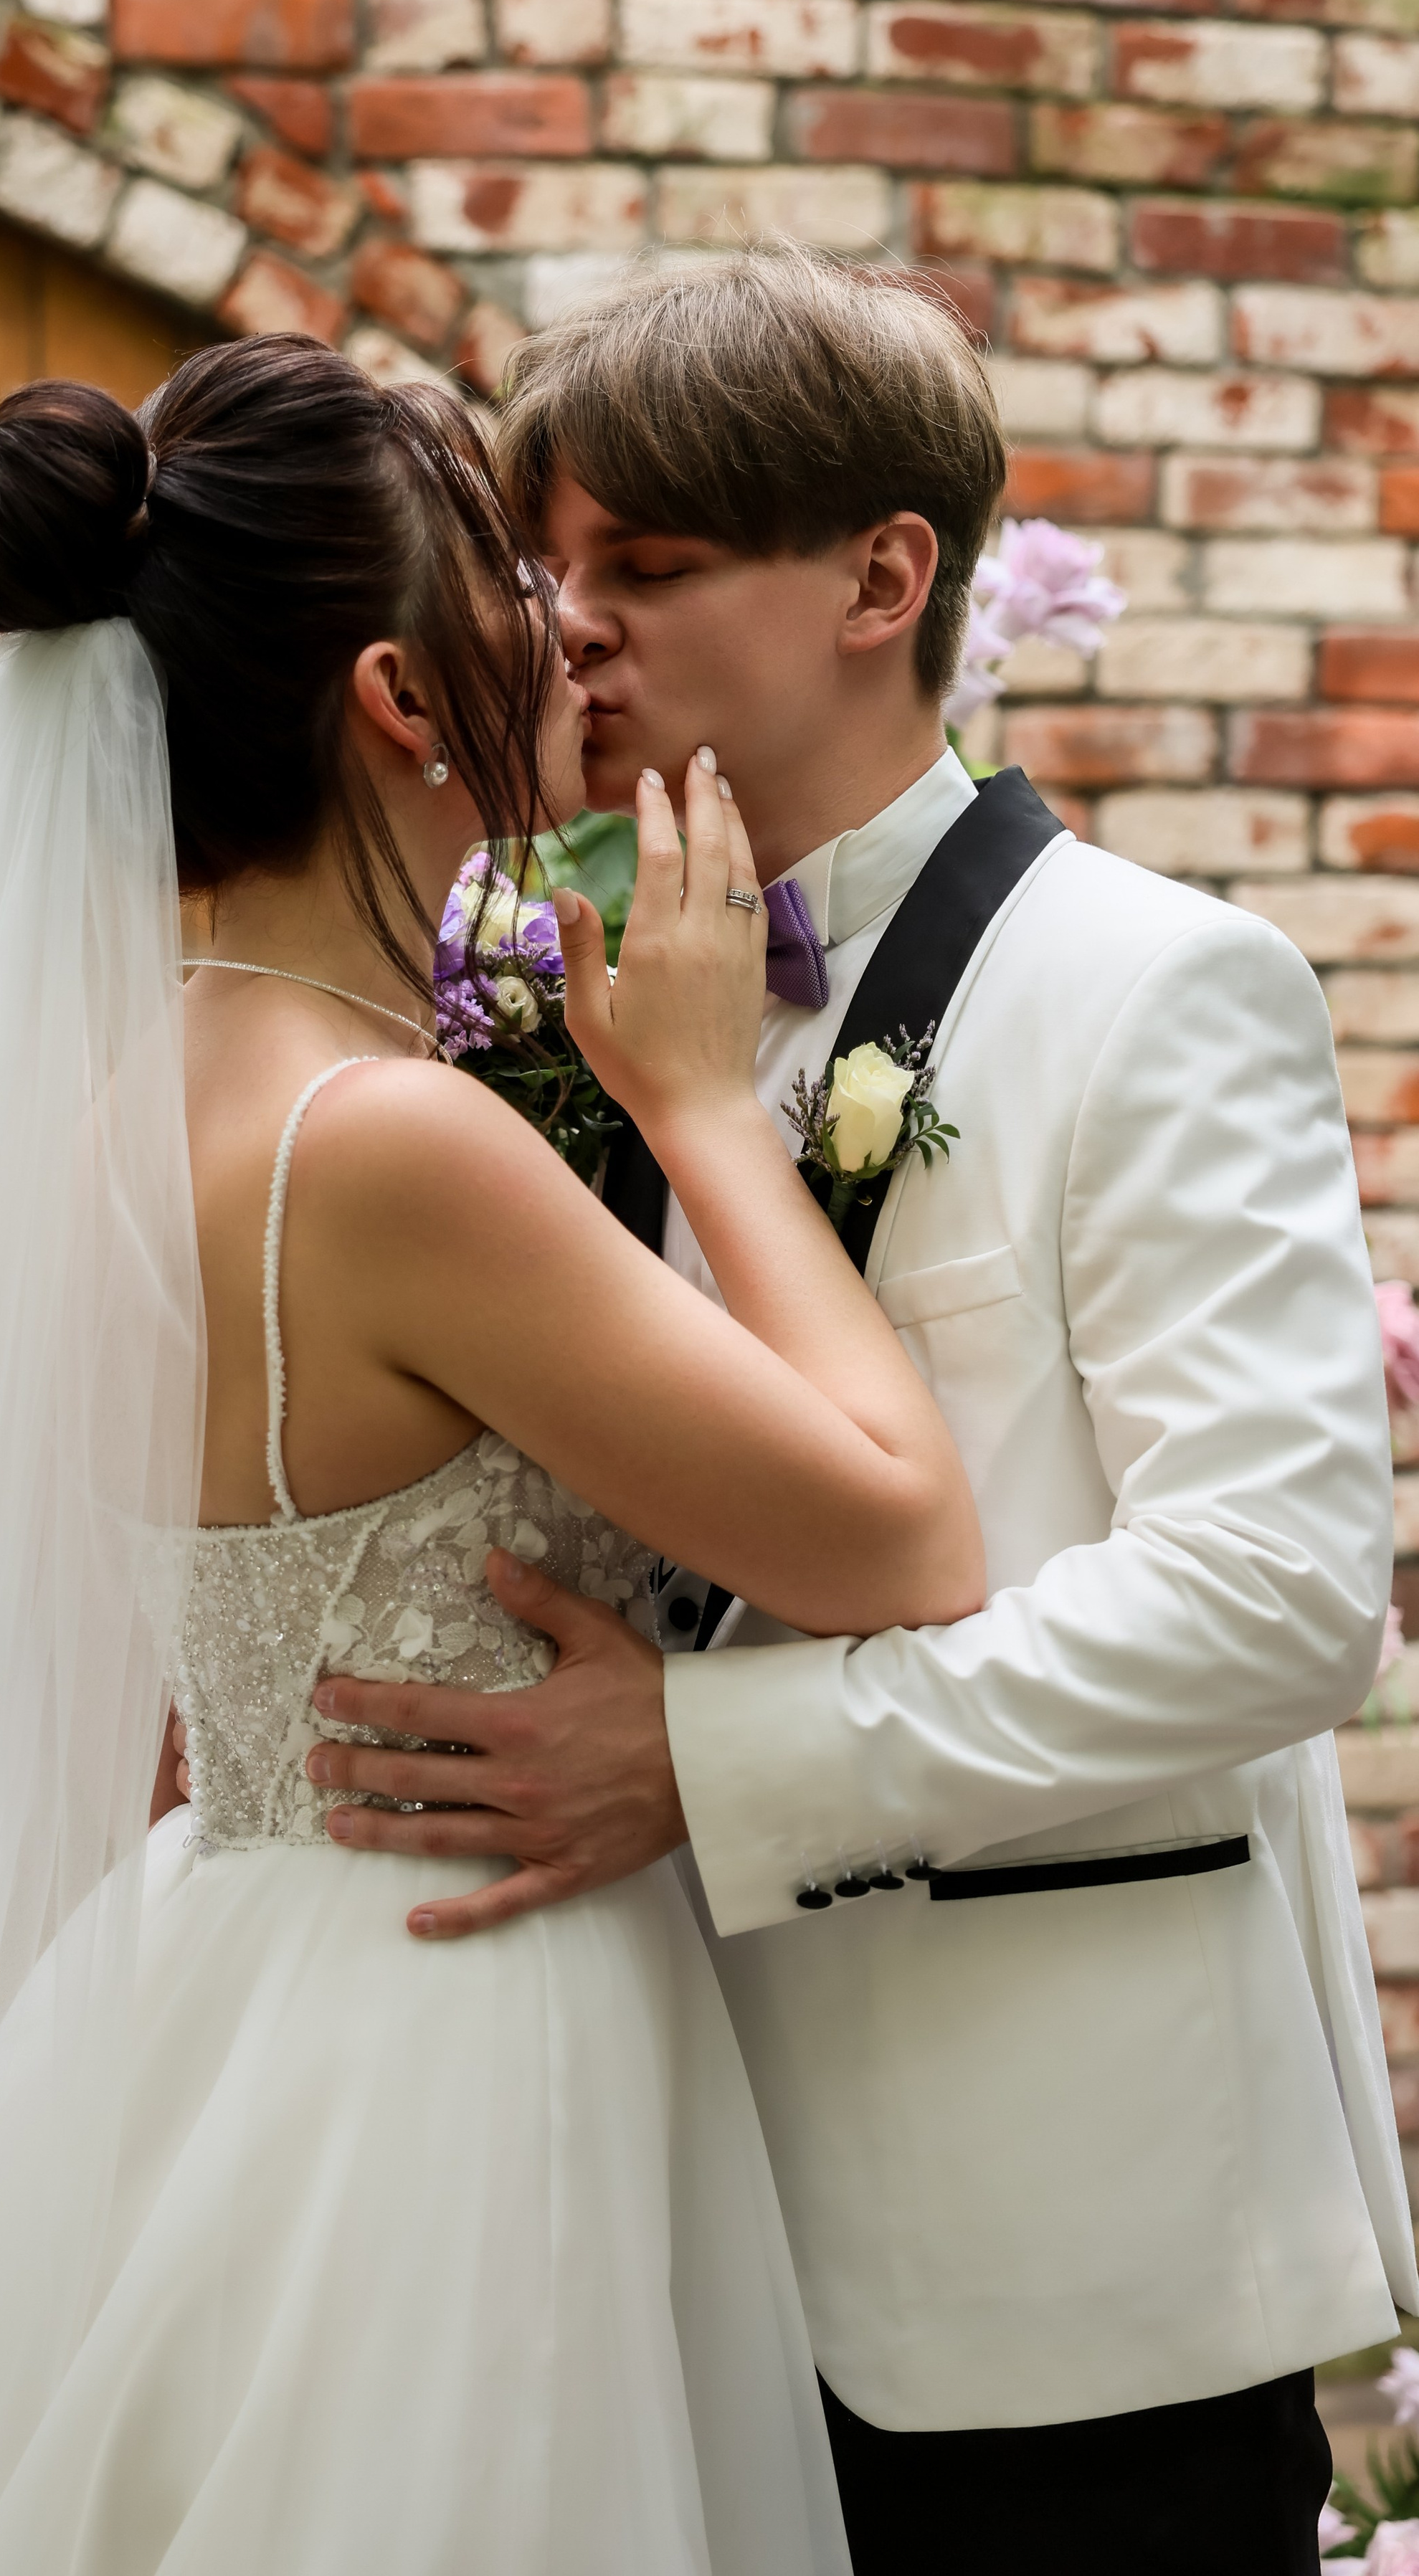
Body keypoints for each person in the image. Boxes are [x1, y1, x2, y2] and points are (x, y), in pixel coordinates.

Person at [0, 335, 985, 2574]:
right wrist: (709, 1105)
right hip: (447, 2031)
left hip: (198, 1983)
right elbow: (905, 1542)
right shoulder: (391, 1142)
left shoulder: (111, 1113)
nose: (567, 623)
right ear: (404, 703)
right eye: (513, 584)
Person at [300, 247, 1416, 2576]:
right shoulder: (543, 1003)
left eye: (652, 565)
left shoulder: (1158, 987)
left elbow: (1276, 1605)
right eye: (546, 571)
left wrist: (704, 1768)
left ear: (886, 578)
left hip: (1054, 2266)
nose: (569, 626)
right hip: (641, 2232)